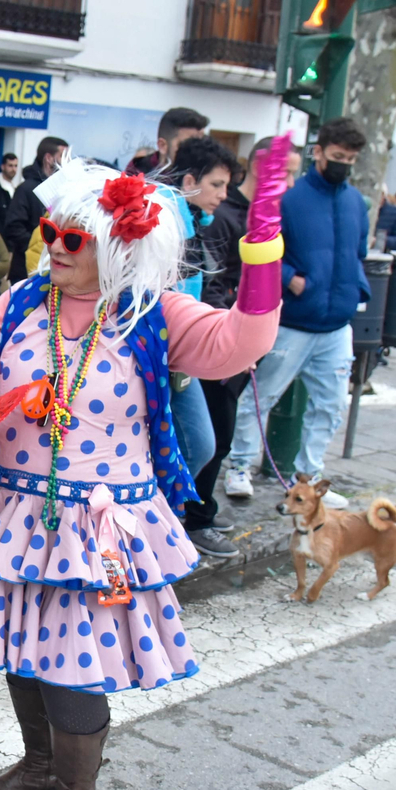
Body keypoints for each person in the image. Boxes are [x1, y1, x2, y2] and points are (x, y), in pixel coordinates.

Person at [0, 144, 286, 790]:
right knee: (19, 649)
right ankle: (38, 765)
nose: (54, 246)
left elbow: (243, 342)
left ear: (118, 248)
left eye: (73, 239)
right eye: (51, 232)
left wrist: (263, 249)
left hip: (98, 533)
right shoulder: (20, 302)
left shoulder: (151, 313)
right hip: (9, 513)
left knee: (73, 672)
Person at [227, 117, 371, 509]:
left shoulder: (355, 202)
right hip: (293, 321)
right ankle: (240, 466)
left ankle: (308, 478)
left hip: (336, 324)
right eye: (338, 156)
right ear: (319, 152)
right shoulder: (290, 199)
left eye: (351, 159)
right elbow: (264, 246)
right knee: (262, 397)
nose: (344, 164)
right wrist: (291, 279)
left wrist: (357, 288)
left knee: (330, 404)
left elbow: (358, 251)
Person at [184, 136, 300, 558]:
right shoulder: (216, 220)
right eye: (283, 173)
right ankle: (192, 517)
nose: (290, 183)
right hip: (205, 344)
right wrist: (227, 331)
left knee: (217, 437)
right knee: (205, 438)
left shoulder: (216, 217)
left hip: (226, 342)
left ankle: (198, 512)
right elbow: (209, 285)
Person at [159, 136, 239, 537]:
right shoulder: (161, 221)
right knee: (198, 443)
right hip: (153, 353)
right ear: (189, 180)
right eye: (216, 184)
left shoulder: (194, 222)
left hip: (179, 355)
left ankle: (152, 522)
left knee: (200, 444)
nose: (224, 195)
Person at [3, 136, 70, 283]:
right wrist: (40, 246)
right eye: (63, 156)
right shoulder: (26, 189)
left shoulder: (64, 189)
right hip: (25, 270)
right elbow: (14, 227)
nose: (68, 161)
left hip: (55, 267)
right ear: (49, 158)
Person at [124, 107, 209, 177]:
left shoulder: (203, 175)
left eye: (200, 144)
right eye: (187, 145)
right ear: (162, 146)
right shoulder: (137, 171)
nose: (196, 152)